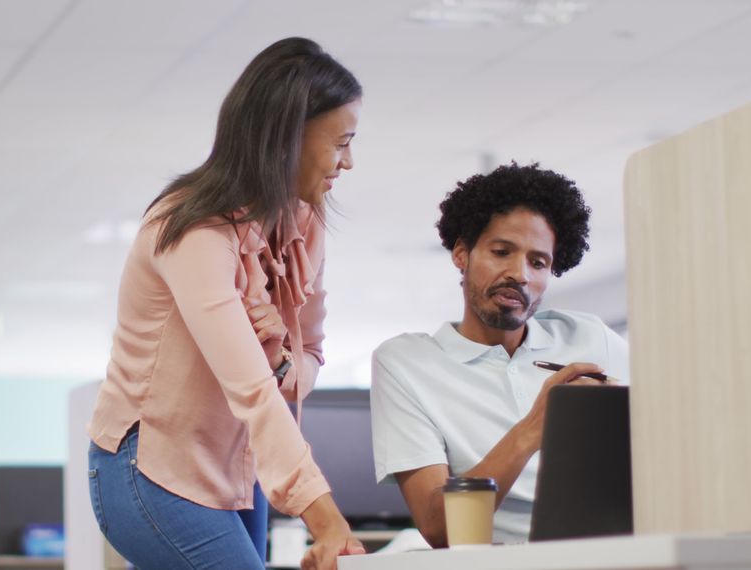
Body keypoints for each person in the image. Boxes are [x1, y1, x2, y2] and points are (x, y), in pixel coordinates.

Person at [86, 37, 366, 570]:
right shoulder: (193, 230)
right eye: (341, 142)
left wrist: (283, 358)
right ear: (287, 138)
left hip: (237, 469)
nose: (349, 161)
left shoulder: (304, 223)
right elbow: (252, 392)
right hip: (148, 464)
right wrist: (326, 520)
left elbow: (306, 364)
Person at [370, 162, 629, 546]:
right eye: (501, 251)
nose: (520, 273)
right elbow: (438, 527)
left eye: (538, 262)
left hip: (613, 549)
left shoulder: (590, 337)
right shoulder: (406, 364)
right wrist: (532, 430)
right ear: (462, 253)